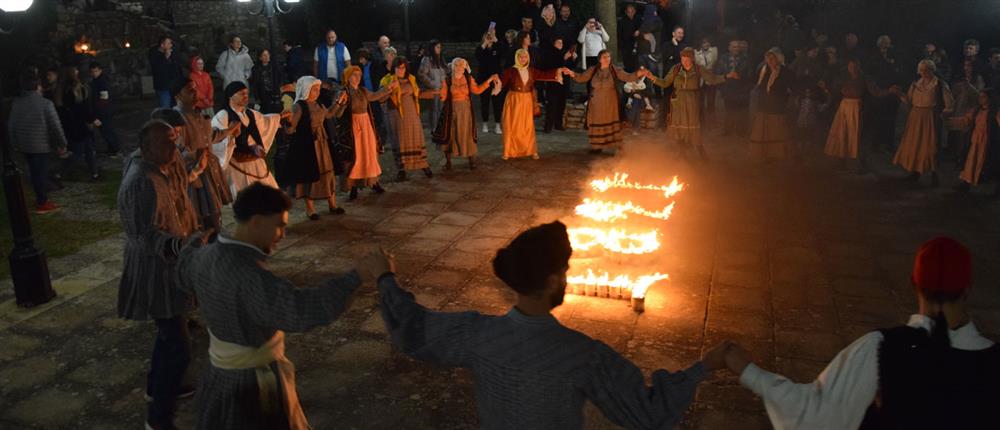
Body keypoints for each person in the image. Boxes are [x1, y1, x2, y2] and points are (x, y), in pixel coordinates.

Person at [376, 221, 734, 429]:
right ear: (551, 281)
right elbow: (647, 413)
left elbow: (412, 328)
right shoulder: (581, 355)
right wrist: (705, 366)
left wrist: (385, 279)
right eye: (564, 272)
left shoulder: (476, 335)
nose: (566, 278)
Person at [725, 236, 1000, 430]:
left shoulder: (881, 349)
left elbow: (813, 414)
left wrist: (747, 369)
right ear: (968, 289)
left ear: (913, 283)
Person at [177, 182, 380, 430]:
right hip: (249, 387)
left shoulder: (205, 257)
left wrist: (195, 242)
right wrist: (356, 276)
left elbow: (182, 270)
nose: (282, 235)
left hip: (218, 378)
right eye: (279, 226)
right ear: (257, 222)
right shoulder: (250, 276)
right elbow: (303, 310)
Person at [118, 120, 201, 430]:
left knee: (170, 333)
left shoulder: (162, 168)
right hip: (156, 271)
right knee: (178, 345)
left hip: (171, 265)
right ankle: (158, 418)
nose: (173, 148)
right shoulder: (141, 181)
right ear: (145, 148)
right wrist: (179, 246)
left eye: (173, 141)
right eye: (166, 143)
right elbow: (143, 234)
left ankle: (157, 386)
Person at [173, 77, 239, 231]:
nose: (195, 93)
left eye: (195, 89)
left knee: (214, 212)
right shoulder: (177, 119)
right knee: (199, 214)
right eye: (190, 91)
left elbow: (209, 136)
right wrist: (197, 157)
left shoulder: (199, 115)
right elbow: (178, 149)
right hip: (194, 173)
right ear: (178, 96)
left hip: (208, 170)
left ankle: (213, 239)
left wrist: (229, 130)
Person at [644, 47, 733, 161]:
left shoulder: (698, 69)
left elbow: (712, 79)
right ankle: (682, 153)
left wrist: (727, 76)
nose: (684, 61)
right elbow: (665, 83)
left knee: (693, 126)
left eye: (687, 58)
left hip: (692, 100)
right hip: (678, 101)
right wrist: (652, 77)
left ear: (692, 59)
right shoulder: (676, 69)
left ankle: (701, 152)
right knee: (680, 125)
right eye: (683, 58)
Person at [282, 76, 345, 220]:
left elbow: (328, 114)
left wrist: (339, 102)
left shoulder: (318, 104)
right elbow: (291, 129)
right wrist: (287, 122)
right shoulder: (299, 106)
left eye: (318, 89)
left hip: (323, 143)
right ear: (306, 90)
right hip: (308, 146)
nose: (317, 92)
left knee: (328, 172)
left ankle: (332, 204)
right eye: (314, 89)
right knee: (310, 175)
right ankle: (310, 209)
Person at [8, 71, 68, 214]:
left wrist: (14, 142)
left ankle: (41, 197)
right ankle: (42, 201)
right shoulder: (45, 104)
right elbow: (55, 125)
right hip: (40, 144)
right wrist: (62, 143)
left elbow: (11, 124)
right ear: (37, 87)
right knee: (40, 173)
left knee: (35, 171)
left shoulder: (17, 103)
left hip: (24, 144)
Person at [496, 49, 572, 160]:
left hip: (526, 100)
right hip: (514, 100)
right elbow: (501, 82)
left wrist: (558, 70)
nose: (523, 59)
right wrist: (495, 83)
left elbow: (544, 75)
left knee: (527, 126)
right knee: (513, 126)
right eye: (521, 57)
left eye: (525, 57)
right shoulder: (511, 71)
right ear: (517, 58)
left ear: (528, 58)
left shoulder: (531, 70)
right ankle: (508, 151)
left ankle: (530, 150)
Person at [332, 66, 395, 200]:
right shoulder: (344, 92)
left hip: (366, 124)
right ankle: (353, 186)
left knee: (369, 153)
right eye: (354, 75)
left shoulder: (362, 90)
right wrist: (341, 103)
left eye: (359, 75)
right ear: (348, 77)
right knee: (356, 156)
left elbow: (373, 96)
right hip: (353, 127)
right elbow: (338, 114)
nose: (358, 77)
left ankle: (373, 182)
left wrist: (387, 89)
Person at [212, 82, 286, 194]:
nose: (245, 96)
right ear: (230, 96)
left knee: (271, 193)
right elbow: (215, 140)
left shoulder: (250, 113)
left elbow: (266, 121)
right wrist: (230, 135)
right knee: (246, 196)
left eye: (246, 93)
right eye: (241, 93)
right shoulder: (223, 115)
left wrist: (281, 117)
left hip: (255, 161)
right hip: (237, 163)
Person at [891, 59, 954, 187]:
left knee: (930, 146)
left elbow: (950, 103)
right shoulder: (916, 84)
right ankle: (915, 171)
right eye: (922, 70)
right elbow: (908, 101)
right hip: (915, 117)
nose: (923, 73)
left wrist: (943, 114)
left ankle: (934, 174)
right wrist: (899, 94)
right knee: (915, 145)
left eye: (926, 70)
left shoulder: (939, 84)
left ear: (932, 70)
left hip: (930, 117)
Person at [379, 56, 440, 181]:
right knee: (400, 141)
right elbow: (380, 98)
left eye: (403, 67)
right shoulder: (386, 80)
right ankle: (402, 169)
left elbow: (418, 94)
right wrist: (390, 88)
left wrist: (434, 93)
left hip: (412, 113)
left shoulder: (411, 79)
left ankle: (423, 165)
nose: (401, 70)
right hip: (396, 115)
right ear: (394, 68)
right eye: (398, 68)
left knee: (416, 139)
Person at [823, 59, 891, 170]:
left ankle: (859, 164)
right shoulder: (844, 78)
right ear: (848, 67)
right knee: (842, 133)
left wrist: (889, 91)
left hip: (856, 108)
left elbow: (876, 92)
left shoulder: (864, 78)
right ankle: (841, 162)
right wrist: (825, 88)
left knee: (855, 135)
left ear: (858, 67)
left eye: (854, 66)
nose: (852, 68)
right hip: (844, 107)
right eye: (850, 66)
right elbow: (835, 90)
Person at [570, 50, 640, 154]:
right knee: (597, 122)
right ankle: (597, 145)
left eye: (608, 57)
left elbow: (627, 77)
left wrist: (639, 73)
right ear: (599, 59)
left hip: (610, 103)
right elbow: (582, 78)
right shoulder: (593, 70)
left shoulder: (615, 70)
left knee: (613, 121)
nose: (607, 59)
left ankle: (617, 145)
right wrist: (572, 73)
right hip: (596, 103)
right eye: (604, 57)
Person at [432, 58, 496, 170]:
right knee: (450, 134)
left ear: (465, 67)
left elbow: (477, 90)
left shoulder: (468, 78)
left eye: (461, 65)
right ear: (453, 66)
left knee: (467, 133)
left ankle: (471, 160)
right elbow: (443, 97)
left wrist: (489, 80)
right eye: (456, 65)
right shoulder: (447, 80)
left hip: (466, 110)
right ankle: (448, 162)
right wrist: (438, 93)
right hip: (452, 110)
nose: (459, 67)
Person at [54, 65, 101, 181]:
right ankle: (60, 173)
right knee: (79, 152)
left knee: (88, 149)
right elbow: (82, 107)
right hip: (79, 125)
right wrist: (92, 119)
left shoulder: (61, 89)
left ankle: (94, 173)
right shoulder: (76, 89)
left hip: (72, 124)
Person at [749, 48, 794, 162]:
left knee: (776, 131)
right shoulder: (763, 70)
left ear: (778, 59)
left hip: (777, 106)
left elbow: (788, 87)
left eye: (772, 58)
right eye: (768, 58)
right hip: (764, 105)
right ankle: (764, 153)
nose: (770, 61)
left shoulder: (785, 71)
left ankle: (776, 153)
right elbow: (759, 85)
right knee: (763, 131)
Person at [957, 91, 999, 194]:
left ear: (989, 98)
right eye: (980, 97)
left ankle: (995, 189)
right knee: (971, 162)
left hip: (987, 142)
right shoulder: (976, 111)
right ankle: (966, 184)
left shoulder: (994, 112)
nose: (980, 99)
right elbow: (966, 119)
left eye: (983, 97)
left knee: (985, 163)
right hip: (975, 141)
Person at [866, 35, 902, 153]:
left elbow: (898, 71)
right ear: (880, 44)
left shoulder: (894, 55)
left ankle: (889, 143)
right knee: (877, 119)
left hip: (892, 93)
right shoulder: (873, 56)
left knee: (891, 119)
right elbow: (872, 73)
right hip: (879, 92)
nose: (888, 44)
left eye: (888, 42)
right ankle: (875, 143)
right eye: (885, 42)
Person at [947, 59, 984, 163]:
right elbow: (953, 93)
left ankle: (964, 158)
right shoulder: (960, 78)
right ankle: (957, 155)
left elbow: (979, 95)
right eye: (965, 65)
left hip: (970, 110)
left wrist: (969, 87)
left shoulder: (978, 78)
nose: (966, 68)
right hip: (959, 108)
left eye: (969, 65)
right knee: (957, 134)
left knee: (966, 135)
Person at [715, 39, 752, 136]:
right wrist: (727, 77)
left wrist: (740, 77)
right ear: (729, 48)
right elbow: (718, 72)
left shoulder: (746, 59)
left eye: (738, 47)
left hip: (742, 89)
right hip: (728, 89)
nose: (736, 49)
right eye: (734, 46)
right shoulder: (723, 58)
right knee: (729, 111)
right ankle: (728, 130)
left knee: (741, 112)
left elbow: (751, 76)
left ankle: (742, 131)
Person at [541, 36, 576, 133]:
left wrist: (573, 59)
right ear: (554, 44)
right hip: (553, 82)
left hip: (564, 82)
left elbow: (570, 66)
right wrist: (564, 59)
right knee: (551, 105)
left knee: (561, 104)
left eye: (561, 42)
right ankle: (548, 126)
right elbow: (552, 66)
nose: (560, 44)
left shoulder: (564, 52)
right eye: (558, 42)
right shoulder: (549, 53)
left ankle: (558, 123)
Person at [476, 29, 505, 135]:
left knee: (497, 103)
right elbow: (478, 57)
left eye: (490, 37)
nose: (489, 38)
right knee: (484, 102)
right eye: (487, 37)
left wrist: (496, 40)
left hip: (496, 80)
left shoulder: (497, 47)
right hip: (484, 79)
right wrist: (485, 44)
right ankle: (485, 123)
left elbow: (503, 53)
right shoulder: (481, 48)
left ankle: (497, 125)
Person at [87, 62, 120, 156]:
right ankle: (113, 148)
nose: (94, 73)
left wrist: (98, 114)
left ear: (100, 70)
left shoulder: (101, 82)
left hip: (103, 111)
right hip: (103, 110)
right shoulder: (97, 81)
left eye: (96, 71)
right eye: (92, 72)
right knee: (106, 131)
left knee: (107, 131)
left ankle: (114, 149)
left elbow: (104, 99)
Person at [418, 40, 448, 129]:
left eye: (440, 47)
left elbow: (445, 72)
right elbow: (422, 74)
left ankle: (440, 129)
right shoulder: (427, 60)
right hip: (433, 90)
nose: (439, 49)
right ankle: (434, 129)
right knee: (434, 110)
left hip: (442, 89)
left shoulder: (441, 59)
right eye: (437, 47)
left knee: (441, 110)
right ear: (432, 48)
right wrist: (432, 84)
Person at [149, 35, 182, 108]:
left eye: (171, 43)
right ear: (162, 45)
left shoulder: (172, 53)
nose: (171, 45)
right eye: (168, 43)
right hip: (163, 87)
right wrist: (166, 57)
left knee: (175, 109)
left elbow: (176, 68)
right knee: (165, 109)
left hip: (174, 87)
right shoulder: (154, 54)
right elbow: (157, 70)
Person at [250, 48, 285, 114]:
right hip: (263, 94)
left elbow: (280, 77)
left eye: (268, 54)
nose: (267, 57)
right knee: (265, 111)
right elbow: (255, 84)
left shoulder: (274, 66)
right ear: (260, 57)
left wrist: (279, 87)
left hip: (274, 92)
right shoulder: (256, 69)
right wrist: (257, 97)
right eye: (264, 55)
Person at [695, 38, 719, 115]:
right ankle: (701, 119)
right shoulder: (696, 52)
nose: (706, 44)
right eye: (704, 43)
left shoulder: (714, 51)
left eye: (707, 42)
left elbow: (715, 63)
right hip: (701, 79)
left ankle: (712, 119)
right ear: (701, 44)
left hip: (710, 78)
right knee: (700, 100)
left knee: (711, 100)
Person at [617, 2, 641, 72]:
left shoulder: (638, 19)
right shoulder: (621, 21)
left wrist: (639, 31)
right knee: (627, 64)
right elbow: (619, 34)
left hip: (636, 45)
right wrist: (621, 45)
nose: (630, 13)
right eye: (628, 12)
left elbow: (643, 29)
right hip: (625, 46)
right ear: (625, 12)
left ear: (635, 11)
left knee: (636, 64)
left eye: (632, 11)